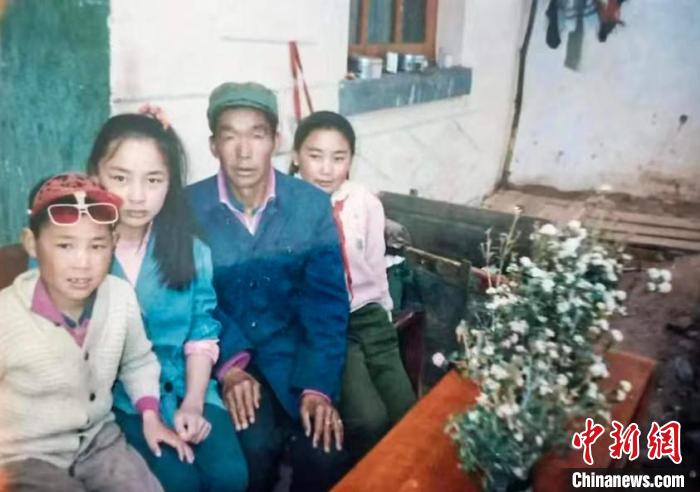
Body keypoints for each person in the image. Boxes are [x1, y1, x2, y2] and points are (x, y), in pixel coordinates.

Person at [187, 82, 351, 492]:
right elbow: (192, 297)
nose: (244, 151)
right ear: (213, 145)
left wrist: (317, 388)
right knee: (253, 452)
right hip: (226, 355)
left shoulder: (310, 205)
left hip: (296, 354)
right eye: (230, 136)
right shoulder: (188, 207)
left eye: (257, 134)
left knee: (324, 451)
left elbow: (327, 304)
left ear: (276, 141)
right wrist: (228, 368)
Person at [86, 113, 248, 492]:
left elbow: (201, 334)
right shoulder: (80, 252)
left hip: (188, 386)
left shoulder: (191, 250)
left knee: (230, 477)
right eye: (120, 178)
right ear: (96, 176)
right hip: (119, 403)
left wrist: (193, 402)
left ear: (170, 182)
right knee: (179, 482)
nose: (137, 195)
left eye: (153, 180)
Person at [0, 173, 173, 492]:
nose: (82, 262)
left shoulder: (120, 296)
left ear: (113, 244)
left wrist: (150, 415)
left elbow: (137, 361)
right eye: (65, 245)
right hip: (24, 456)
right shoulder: (6, 315)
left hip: (98, 442)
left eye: (97, 246)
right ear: (32, 244)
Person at [292, 111, 416, 458]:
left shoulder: (365, 203)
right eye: (315, 156)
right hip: (329, 328)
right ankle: (366, 473)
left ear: (351, 159)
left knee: (406, 409)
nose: (326, 169)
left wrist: (385, 314)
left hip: (369, 315)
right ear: (296, 156)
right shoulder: (287, 208)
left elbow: (375, 264)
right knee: (369, 419)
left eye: (338, 158)